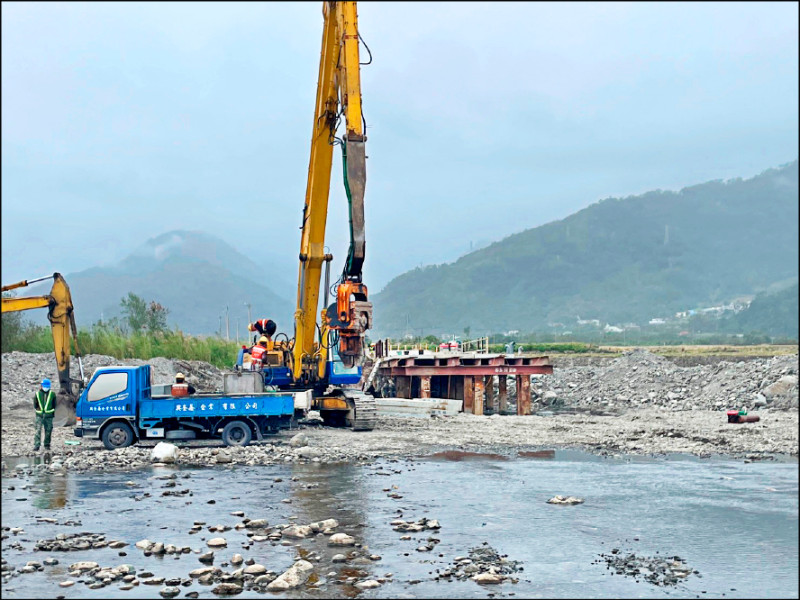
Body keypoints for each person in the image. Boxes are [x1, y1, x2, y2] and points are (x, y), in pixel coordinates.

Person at [33, 378, 56, 451]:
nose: (46, 388)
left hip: (49, 416)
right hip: (39, 415)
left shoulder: (52, 394)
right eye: (44, 386)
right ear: (41, 386)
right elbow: (35, 404)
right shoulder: (37, 394)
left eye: (47, 386)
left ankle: (47, 445)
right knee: (38, 430)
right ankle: (37, 445)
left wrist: (50, 411)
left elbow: (54, 404)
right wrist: (38, 410)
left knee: (48, 430)